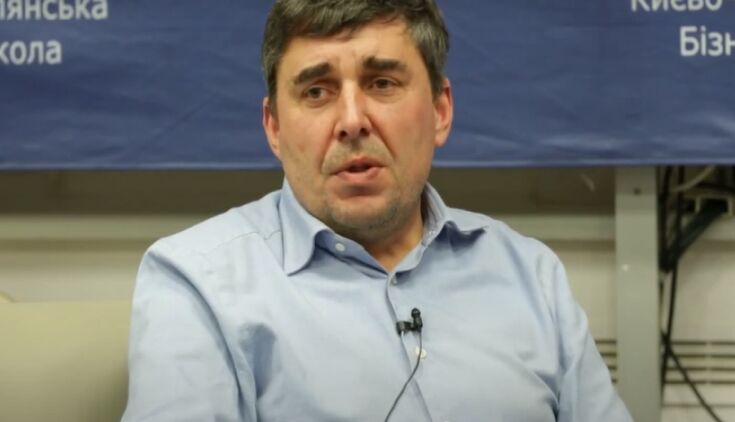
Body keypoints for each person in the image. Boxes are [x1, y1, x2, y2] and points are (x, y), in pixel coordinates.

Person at [122, 1, 633, 421]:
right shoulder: (197, 282)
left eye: (382, 83)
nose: (352, 121)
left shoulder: (530, 274)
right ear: (273, 127)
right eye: (316, 91)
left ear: (440, 111)